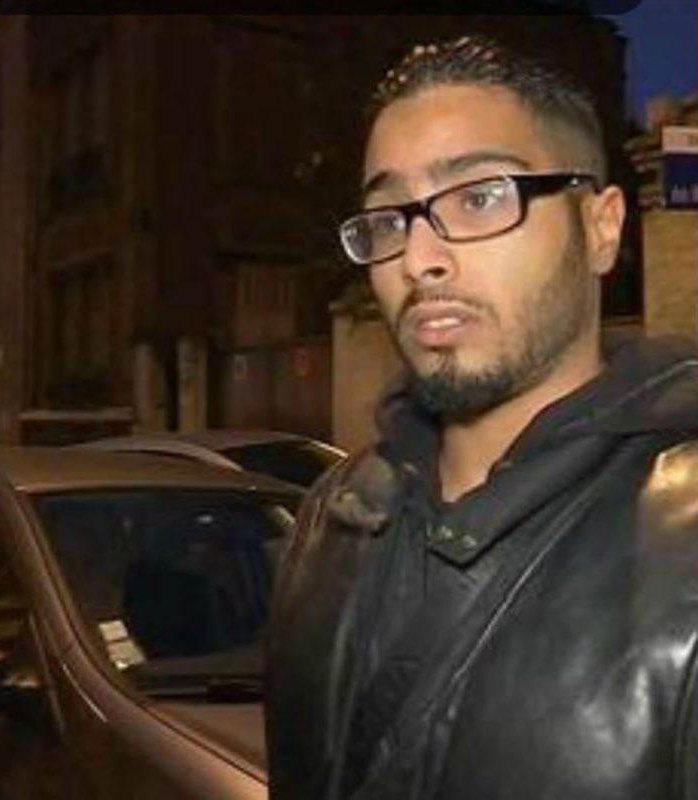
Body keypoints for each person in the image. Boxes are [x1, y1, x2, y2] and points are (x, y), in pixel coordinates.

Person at [265, 34, 698, 800]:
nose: (418, 259)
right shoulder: (332, 517)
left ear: (601, 229)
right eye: (388, 218)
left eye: (479, 197)